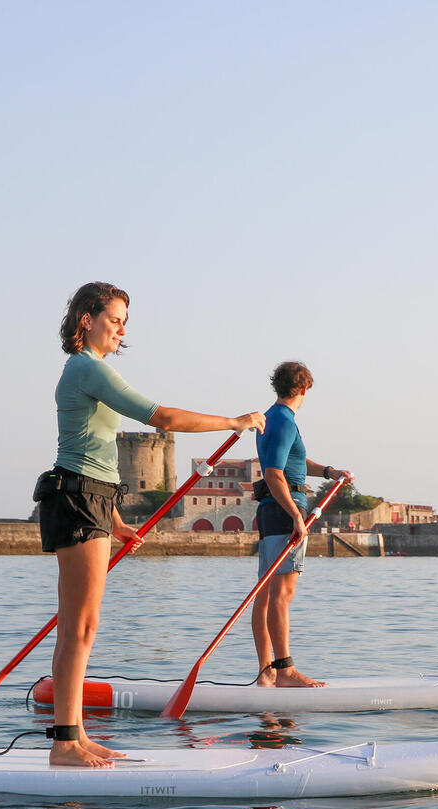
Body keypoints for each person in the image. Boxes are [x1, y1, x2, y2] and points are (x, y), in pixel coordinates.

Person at [37, 281, 265, 768]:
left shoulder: (89, 371)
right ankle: (63, 743)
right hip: (76, 500)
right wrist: (233, 421)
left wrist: (116, 521)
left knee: (85, 627)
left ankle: (73, 736)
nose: (121, 329)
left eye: (124, 322)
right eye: (114, 319)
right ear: (87, 321)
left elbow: (93, 457)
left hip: (92, 499)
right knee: (77, 627)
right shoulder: (86, 368)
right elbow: (159, 416)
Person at [250, 361, 352, 688]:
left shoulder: (273, 418)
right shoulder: (283, 420)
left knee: (266, 594)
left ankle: (267, 671)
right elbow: (273, 474)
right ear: (304, 389)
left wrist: (329, 472)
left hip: (270, 511)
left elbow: (292, 462)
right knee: (282, 594)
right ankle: (285, 671)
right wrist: (296, 514)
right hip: (283, 512)